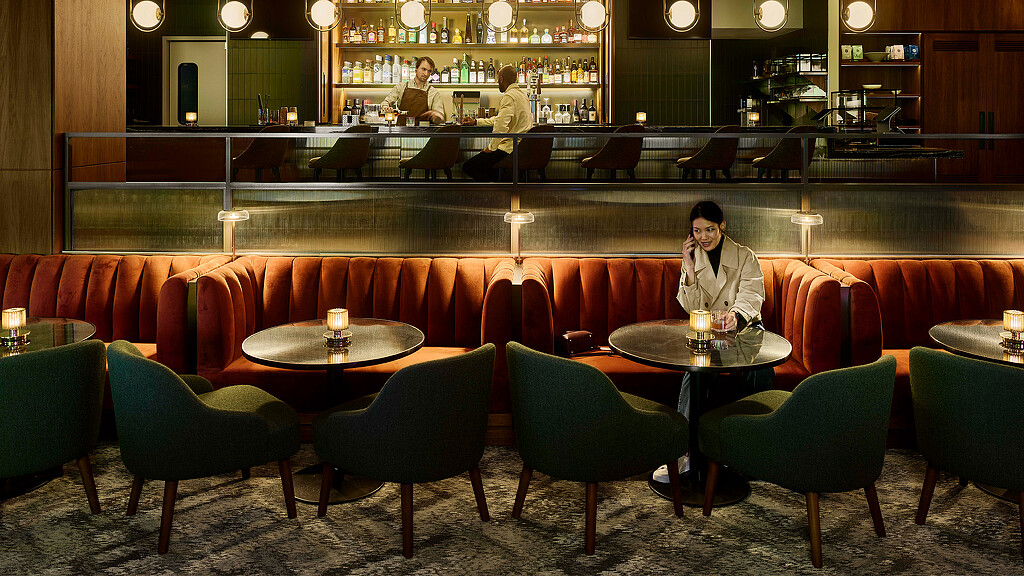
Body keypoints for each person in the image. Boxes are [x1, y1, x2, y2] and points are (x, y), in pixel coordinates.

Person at [652, 200, 775, 483]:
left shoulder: (745, 256)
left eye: (709, 229)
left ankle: (751, 453)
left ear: (722, 226)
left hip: (744, 329)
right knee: (694, 373)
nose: (703, 237)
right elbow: (691, 308)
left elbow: (752, 295)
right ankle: (686, 454)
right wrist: (688, 266)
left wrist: (736, 315)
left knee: (760, 371)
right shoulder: (694, 258)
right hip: (709, 332)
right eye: (697, 231)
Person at [460, 65, 532, 181]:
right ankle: (502, 182)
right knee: (488, 167)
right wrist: (476, 121)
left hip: (509, 148)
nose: (497, 82)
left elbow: (500, 126)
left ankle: (499, 185)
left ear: (501, 79)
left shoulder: (509, 96)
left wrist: (491, 148)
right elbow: (499, 119)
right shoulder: (522, 96)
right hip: (522, 147)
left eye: (498, 79)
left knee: (469, 167)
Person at [381, 56, 445, 125]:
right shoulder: (401, 87)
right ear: (416, 68)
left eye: (429, 71)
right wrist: (386, 107)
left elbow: (440, 119)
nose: (426, 74)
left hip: (423, 131)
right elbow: (385, 103)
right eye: (423, 69)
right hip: (402, 129)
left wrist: (435, 115)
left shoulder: (434, 93)